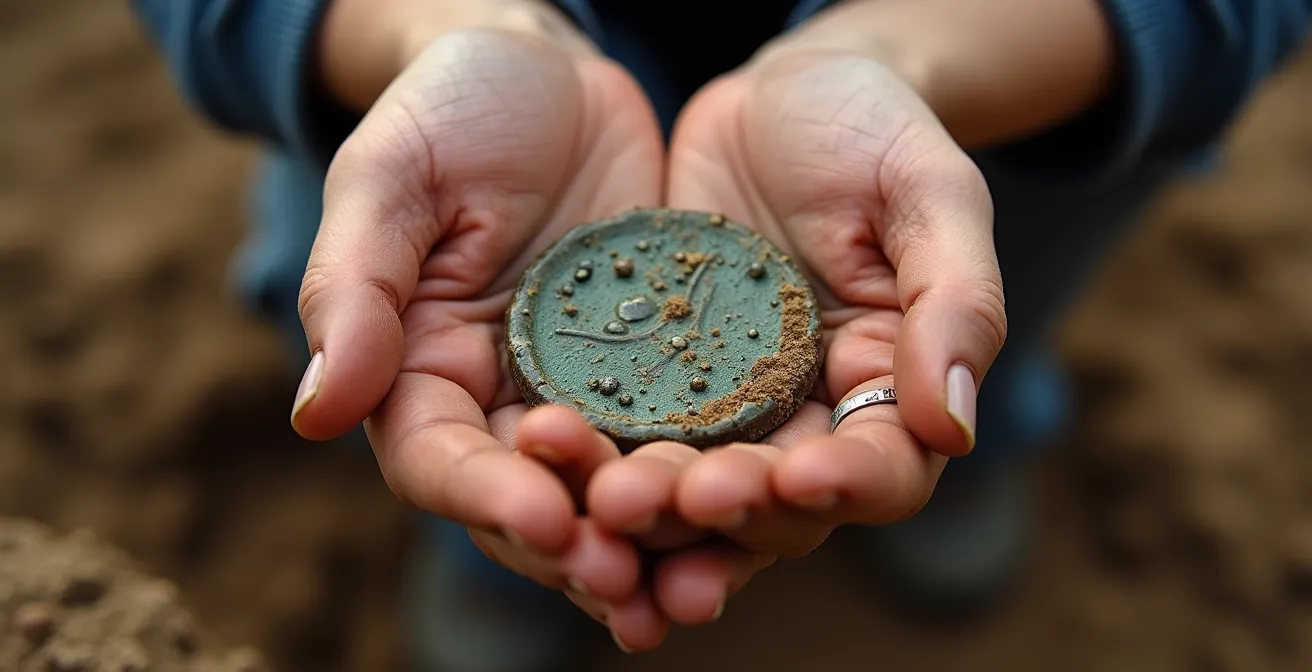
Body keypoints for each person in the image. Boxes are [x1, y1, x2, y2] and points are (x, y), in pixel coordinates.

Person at [131, 0, 1311, 669]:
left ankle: (974, 441)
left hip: (1013, 78)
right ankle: (494, 542)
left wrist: (903, 52)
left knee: (956, 320)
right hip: (434, 110)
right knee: (358, 313)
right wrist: (432, 32)